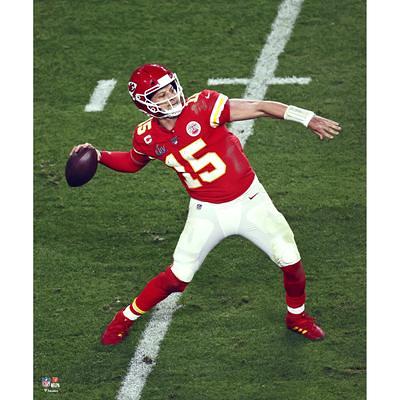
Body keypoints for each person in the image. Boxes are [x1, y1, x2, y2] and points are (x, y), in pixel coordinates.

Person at [70, 64, 341, 346]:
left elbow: (260, 107)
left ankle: (296, 317)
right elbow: (132, 162)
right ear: (144, 103)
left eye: (171, 89)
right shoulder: (146, 136)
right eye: (159, 95)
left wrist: (306, 118)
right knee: (177, 277)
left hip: (251, 201)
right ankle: (123, 318)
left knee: (291, 262)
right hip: (206, 210)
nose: (171, 97)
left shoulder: (203, 106)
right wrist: (98, 155)